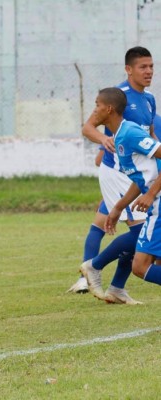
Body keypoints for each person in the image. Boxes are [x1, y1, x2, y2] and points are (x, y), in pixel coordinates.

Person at [79, 46, 156, 304]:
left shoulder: (149, 99)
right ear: (128, 69)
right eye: (143, 67)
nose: (149, 71)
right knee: (140, 230)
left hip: (138, 173)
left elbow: (151, 135)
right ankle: (94, 265)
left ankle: (116, 288)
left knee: (142, 231)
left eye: (151, 66)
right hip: (117, 171)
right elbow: (89, 126)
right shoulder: (116, 96)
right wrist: (103, 141)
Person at [100, 87, 161, 287]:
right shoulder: (119, 138)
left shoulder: (130, 133)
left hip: (158, 205)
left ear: (108, 109)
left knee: (141, 266)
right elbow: (140, 178)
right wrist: (118, 207)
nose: (94, 111)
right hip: (156, 204)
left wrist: (151, 194)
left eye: (97, 105)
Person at [67, 149, 106, 294]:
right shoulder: (150, 126)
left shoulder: (119, 127)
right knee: (137, 233)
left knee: (97, 229)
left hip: (130, 185)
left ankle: (86, 276)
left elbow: (99, 160)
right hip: (137, 185)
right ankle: (90, 271)